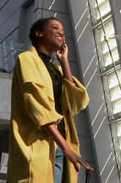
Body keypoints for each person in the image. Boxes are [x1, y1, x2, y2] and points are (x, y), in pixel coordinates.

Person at [7, 17, 93, 183]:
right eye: (55, 28)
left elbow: (76, 102)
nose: (61, 32)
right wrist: (66, 148)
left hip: (59, 143)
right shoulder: (27, 59)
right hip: (39, 143)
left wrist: (65, 61)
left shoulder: (56, 69)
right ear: (39, 33)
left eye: (63, 31)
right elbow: (37, 108)